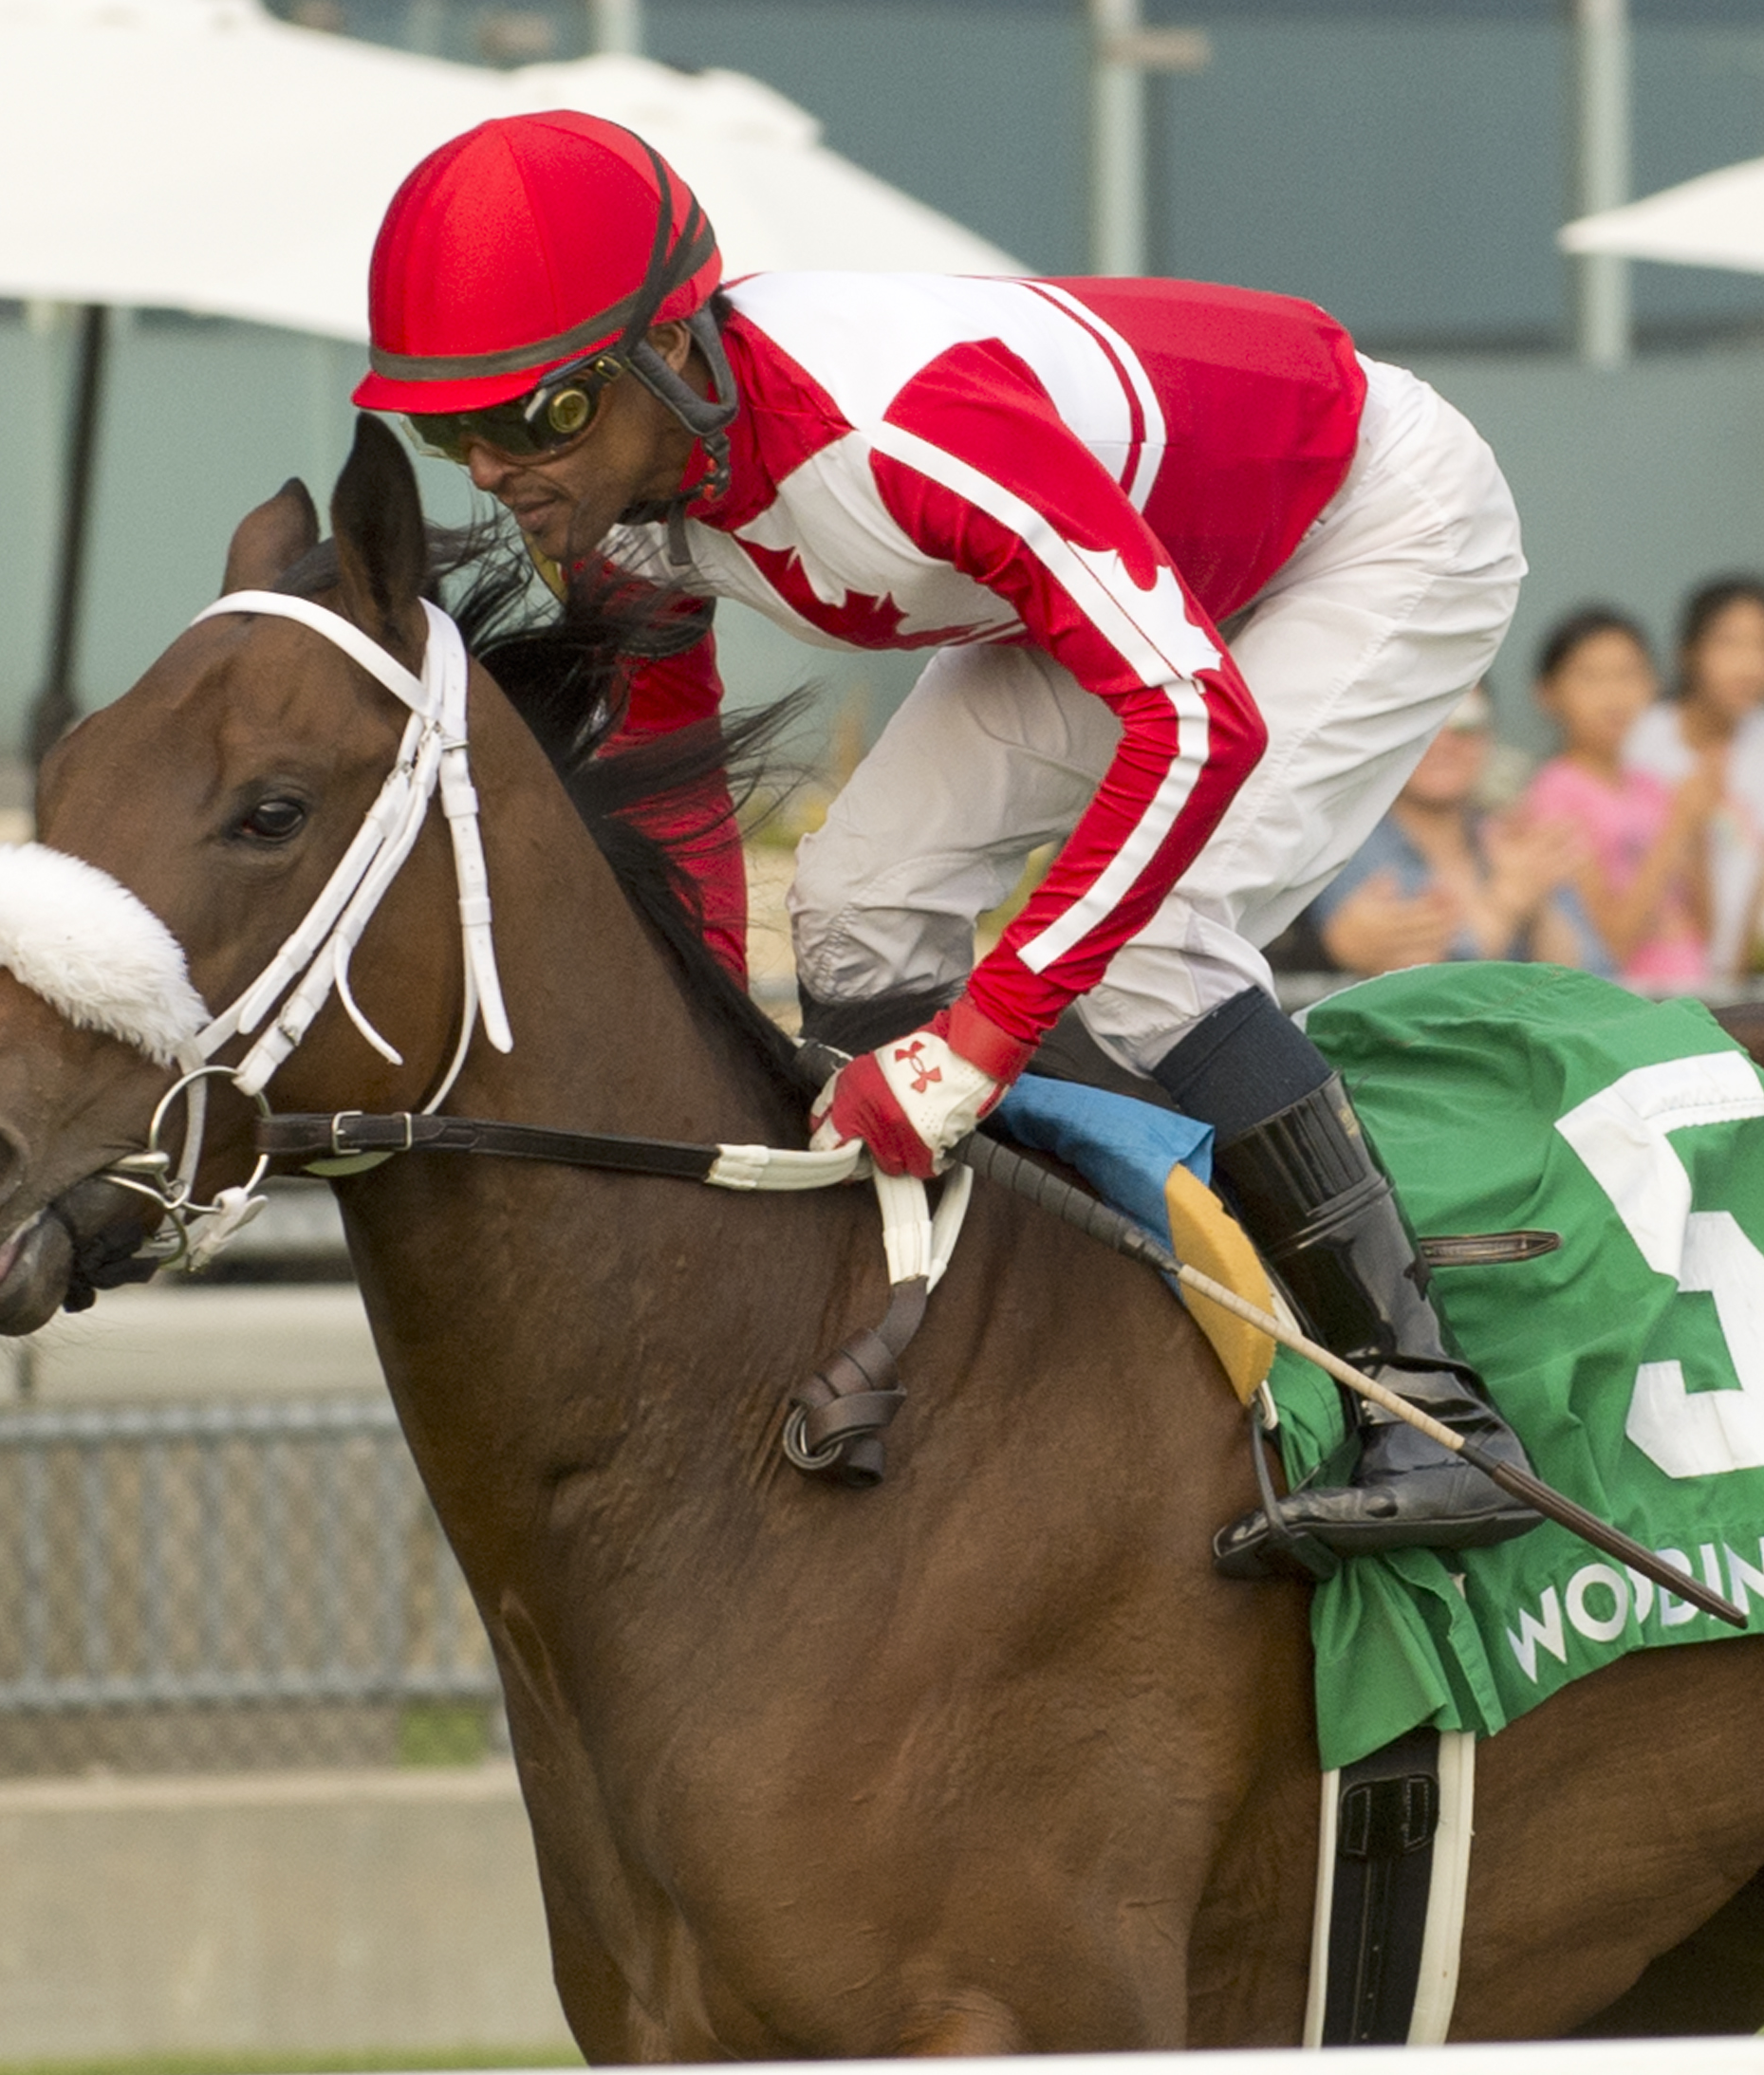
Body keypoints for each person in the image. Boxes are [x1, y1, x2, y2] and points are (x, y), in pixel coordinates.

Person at [356, 110, 1532, 1573]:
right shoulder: (622, 498)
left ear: (671, 356)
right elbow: (670, 785)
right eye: (448, 430)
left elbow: (1191, 723)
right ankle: (994, 1329)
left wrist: (980, 1037)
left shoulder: (895, 437)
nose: (492, 471)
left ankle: (1437, 1414)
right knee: (851, 905)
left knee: (1155, 946)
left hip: (1360, 524)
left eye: (535, 419)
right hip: (1147, 564)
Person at [1297, 688, 1586, 976]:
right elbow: (1428, 992)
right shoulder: (1346, 846)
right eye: (1429, 724)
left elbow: (1586, 975)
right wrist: (1507, 901)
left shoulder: (1511, 838)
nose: (1445, 742)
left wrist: (1537, 907)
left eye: (1466, 724)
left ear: (1489, 737)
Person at [1512, 603, 1722, 992]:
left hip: (1691, 995)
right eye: (1589, 677)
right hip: (1625, 1006)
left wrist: (1698, 826)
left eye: (1628, 674)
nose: (1613, 695)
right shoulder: (1554, 794)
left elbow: (1704, 929)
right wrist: (1677, 828)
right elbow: (1610, 944)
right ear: (1547, 693)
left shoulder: (1653, 788)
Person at [1622, 576, 1764, 983]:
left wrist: (1741, 975)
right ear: (1688, 651)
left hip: (1738, 980)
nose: (1751, 664)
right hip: (1652, 974)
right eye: (1730, 643)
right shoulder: (1642, 737)